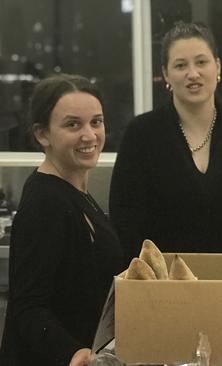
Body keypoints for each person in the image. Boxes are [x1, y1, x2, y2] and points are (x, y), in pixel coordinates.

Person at [109, 22, 222, 261]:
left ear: (217, 66)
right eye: (180, 65)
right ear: (166, 74)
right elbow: (124, 220)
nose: (193, 74)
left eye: (201, 62)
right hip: (160, 287)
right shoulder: (141, 134)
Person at [0, 74, 123, 366]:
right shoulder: (46, 202)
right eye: (73, 124)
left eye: (96, 122)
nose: (90, 135)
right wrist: (72, 352)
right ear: (43, 134)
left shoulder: (75, 191)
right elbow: (28, 307)